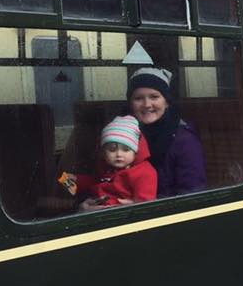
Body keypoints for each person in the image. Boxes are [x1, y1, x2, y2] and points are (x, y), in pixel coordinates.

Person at [127, 67, 208, 197]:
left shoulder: (185, 141)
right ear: (131, 104)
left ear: (166, 102)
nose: (147, 104)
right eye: (138, 98)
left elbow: (192, 196)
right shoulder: (123, 136)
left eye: (154, 97)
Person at [68, 115, 157, 209]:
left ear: (135, 152)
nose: (119, 154)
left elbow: (146, 204)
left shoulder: (144, 173)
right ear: (103, 152)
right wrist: (76, 180)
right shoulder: (107, 167)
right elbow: (97, 181)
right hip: (97, 206)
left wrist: (133, 206)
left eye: (126, 150)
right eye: (112, 149)